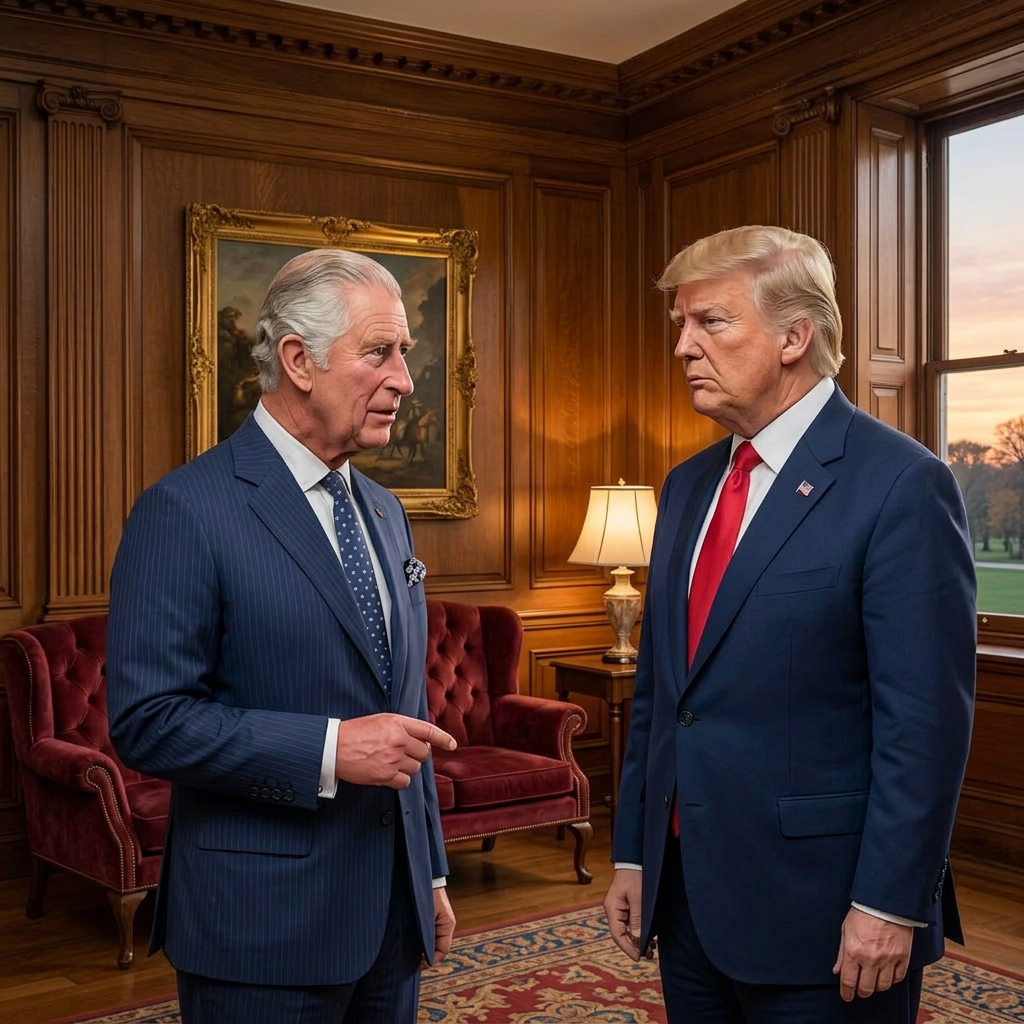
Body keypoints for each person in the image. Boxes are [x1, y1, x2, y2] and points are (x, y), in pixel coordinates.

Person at [603, 225, 975, 1024]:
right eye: (680, 325)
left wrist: (890, 903)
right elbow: (663, 695)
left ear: (794, 337)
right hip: (689, 899)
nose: (684, 347)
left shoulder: (902, 483)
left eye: (711, 322)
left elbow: (925, 726)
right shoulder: (688, 485)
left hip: (829, 913)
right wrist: (634, 850)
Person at [107, 248, 457, 1024]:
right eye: (380, 353)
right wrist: (333, 750)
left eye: (405, 352)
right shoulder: (185, 511)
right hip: (259, 927)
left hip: (390, 923)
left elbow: (404, 711)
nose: (405, 377)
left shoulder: (385, 511)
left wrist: (427, 875)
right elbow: (147, 721)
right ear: (298, 359)